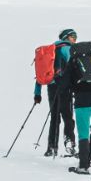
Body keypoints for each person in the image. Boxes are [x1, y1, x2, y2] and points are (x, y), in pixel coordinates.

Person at [64, 38, 91, 174]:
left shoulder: (73, 62)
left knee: (83, 133)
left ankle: (83, 165)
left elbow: (65, 83)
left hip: (83, 101)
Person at [36, 29, 79, 157]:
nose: (74, 39)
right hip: (64, 87)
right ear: (65, 37)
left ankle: (51, 147)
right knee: (67, 117)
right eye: (72, 37)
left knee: (55, 117)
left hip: (51, 87)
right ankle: (70, 145)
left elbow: (41, 71)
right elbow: (74, 65)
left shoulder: (50, 50)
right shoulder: (67, 49)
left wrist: (37, 92)